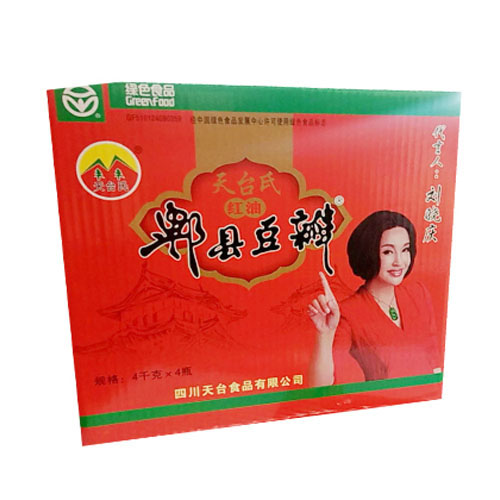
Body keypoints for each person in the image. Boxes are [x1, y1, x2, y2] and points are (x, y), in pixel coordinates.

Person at [308, 211, 441, 386]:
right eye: (388, 252)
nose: (399, 262)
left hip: (428, 396)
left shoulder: (418, 293)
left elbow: (434, 356)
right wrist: (324, 335)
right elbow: (320, 386)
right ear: (368, 253)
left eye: (405, 250)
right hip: (386, 399)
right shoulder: (348, 312)